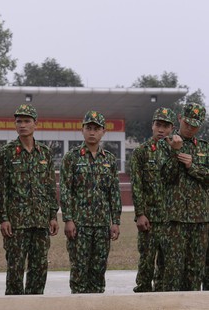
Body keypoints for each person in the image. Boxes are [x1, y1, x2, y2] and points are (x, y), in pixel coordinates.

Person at [0, 104, 59, 295]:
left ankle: (35, 308)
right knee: (15, 267)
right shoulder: (6, 153)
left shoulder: (45, 153)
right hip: (17, 222)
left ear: (35, 124)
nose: (22, 125)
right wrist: (4, 218)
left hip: (40, 221)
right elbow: (1, 188)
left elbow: (49, 186)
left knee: (39, 267)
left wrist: (53, 216)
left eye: (27, 121)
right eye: (19, 121)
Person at [60, 111, 121, 294]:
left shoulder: (109, 159)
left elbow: (113, 191)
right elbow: (65, 190)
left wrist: (115, 221)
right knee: (79, 269)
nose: (92, 132)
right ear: (82, 130)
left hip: (102, 225)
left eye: (96, 128)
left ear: (103, 131)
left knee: (98, 269)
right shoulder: (71, 158)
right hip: (80, 225)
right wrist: (68, 219)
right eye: (88, 128)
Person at [160, 102, 208, 291]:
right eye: (187, 123)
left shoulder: (205, 148)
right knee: (172, 268)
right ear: (180, 118)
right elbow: (165, 177)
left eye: (195, 125)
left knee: (195, 268)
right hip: (175, 219)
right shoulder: (166, 144)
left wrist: (192, 167)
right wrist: (175, 152)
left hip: (200, 219)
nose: (190, 128)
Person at [129, 107, 176, 292]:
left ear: (172, 128)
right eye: (158, 125)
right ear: (152, 126)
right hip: (149, 218)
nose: (161, 129)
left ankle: (162, 302)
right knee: (146, 261)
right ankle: (142, 296)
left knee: (167, 263)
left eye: (165, 126)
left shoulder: (175, 152)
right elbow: (137, 186)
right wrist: (140, 214)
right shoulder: (141, 152)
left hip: (171, 219)